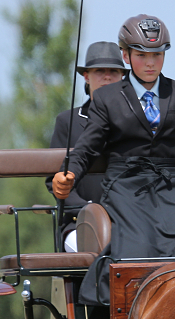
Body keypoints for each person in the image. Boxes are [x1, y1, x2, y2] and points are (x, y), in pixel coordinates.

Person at [52, 14, 175, 313]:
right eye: (142, 55)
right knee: (136, 251)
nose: (150, 63)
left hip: (173, 187)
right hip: (126, 187)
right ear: (126, 55)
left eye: (157, 55)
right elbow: (88, 146)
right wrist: (70, 172)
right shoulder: (108, 98)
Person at [46, 41, 126, 251]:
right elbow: (53, 180)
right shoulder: (68, 122)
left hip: (130, 220)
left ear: (123, 78)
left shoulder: (135, 122)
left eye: (114, 71)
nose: (107, 77)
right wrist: (89, 208)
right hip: (79, 222)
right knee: (103, 249)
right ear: (87, 76)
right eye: (100, 71)